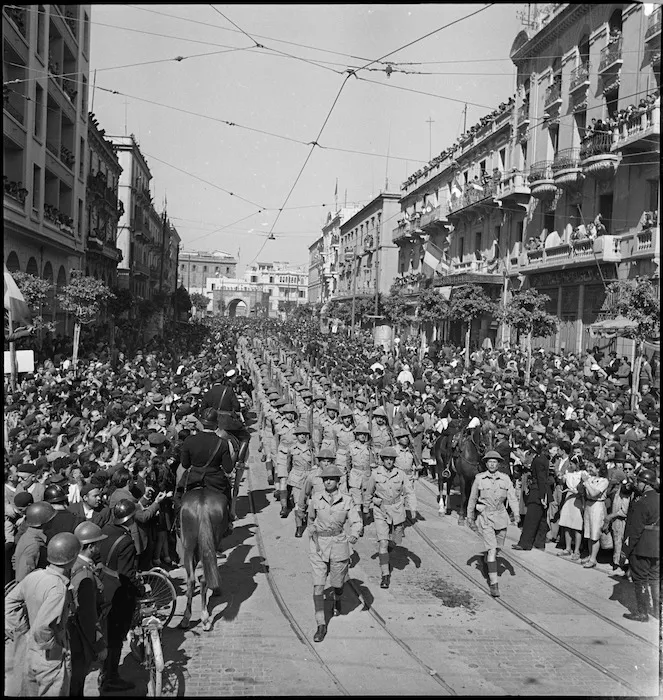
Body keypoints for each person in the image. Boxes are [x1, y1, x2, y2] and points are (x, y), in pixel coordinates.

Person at [5, 532, 81, 697]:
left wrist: (23, 630)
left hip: (30, 650)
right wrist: (53, 647)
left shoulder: (35, 576)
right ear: (72, 558)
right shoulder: (58, 589)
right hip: (49, 656)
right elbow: (42, 627)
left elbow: (9, 603)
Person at [307, 464, 361, 643]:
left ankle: (338, 598)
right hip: (318, 545)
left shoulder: (347, 500)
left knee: (337, 583)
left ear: (338, 482)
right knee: (318, 585)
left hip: (338, 544)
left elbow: (356, 520)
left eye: (331, 479)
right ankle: (321, 624)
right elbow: (311, 519)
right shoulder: (315, 498)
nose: (327, 482)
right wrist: (312, 529)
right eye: (325, 479)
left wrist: (354, 534)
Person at [97, 500, 144, 691]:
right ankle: (111, 677)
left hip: (103, 586)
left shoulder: (106, 530)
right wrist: (140, 589)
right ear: (131, 518)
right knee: (116, 638)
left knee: (107, 634)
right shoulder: (126, 542)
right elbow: (127, 574)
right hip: (118, 592)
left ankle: (104, 671)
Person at [174, 407, 235, 535]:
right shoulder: (222, 443)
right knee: (228, 493)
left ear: (201, 422)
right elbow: (228, 468)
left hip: (193, 477)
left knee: (178, 496)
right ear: (215, 424)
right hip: (215, 480)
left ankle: (178, 524)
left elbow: (185, 464)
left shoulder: (189, 440)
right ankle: (228, 521)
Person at [467, 451, 519, 597]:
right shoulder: (479, 479)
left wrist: (516, 514)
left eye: (495, 462)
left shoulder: (505, 479)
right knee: (491, 550)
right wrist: (470, 516)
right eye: (489, 462)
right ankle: (494, 584)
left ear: (499, 464)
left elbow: (512, 497)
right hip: (486, 517)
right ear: (486, 464)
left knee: (498, 548)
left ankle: (487, 562)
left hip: (501, 516)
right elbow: (472, 498)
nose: (492, 464)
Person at [365, 446, 417, 590]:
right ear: (382, 460)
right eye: (386, 459)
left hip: (397, 510)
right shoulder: (375, 474)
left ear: (394, 460)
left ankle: (389, 548)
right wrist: (365, 509)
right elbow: (369, 493)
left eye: (391, 459)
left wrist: (412, 508)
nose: (388, 461)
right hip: (381, 510)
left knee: (395, 541)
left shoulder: (400, 474)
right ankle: (385, 575)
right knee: (382, 542)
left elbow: (409, 491)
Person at [69, 521, 109, 696]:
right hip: (80, 637)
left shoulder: (74, 562)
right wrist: (99, 644)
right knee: (77, 682)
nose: (100, 545)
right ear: (91, 547)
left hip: (72, 632)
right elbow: (87, 615)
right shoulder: (84, 574)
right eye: (98, 542)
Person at [621, 468, 659, 622]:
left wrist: (625, 550)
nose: (636, 484)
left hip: (642, 547)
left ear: (645, 484)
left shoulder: (640, 502)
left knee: (641, 579)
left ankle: (642, 612)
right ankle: (657, 611)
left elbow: (634, 529)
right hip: (656, 547)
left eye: (639, 481)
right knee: (655, 578)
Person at [513, 436, 552, 551]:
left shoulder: (538, 460)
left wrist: (541, 496)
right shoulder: (543, 458)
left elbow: (541, 479)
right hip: (541, 490)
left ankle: (525, 543)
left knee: (531, 519)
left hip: (538, 491)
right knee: (541, 520)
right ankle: (539, 543)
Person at [12, 501, 56, 581]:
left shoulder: (28, 536)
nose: (53, 521)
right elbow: (23, 577)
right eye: (50, 519)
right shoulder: (33, 545)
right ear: (44, 522)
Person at [285, 425, 315, 537]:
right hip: (296, 477)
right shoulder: (292, 449)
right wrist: (289, 478)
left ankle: (308, 521)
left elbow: (314, 463)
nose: (302, 436)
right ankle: (298, 528)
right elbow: (288, 464)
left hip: (309, 476)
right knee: (298, 503)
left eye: (304, 434)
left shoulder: (311, 448)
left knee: (310, 502)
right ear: (296, 436)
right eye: (299, 435)